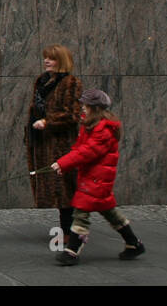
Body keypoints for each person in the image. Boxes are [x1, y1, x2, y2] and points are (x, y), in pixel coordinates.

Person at [52, 90, 145, 265]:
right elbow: (80, 149)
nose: (83, 109)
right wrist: (64, 165)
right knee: (110, 213)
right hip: (94, 178)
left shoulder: (102, 130)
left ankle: (72, 251)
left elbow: (88, 152)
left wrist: (63, 163)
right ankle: (133, 243)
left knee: (81, 212)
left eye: (85, 106)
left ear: (94, 108)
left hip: (97, 180)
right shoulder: (90, 125)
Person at [24, 43, 81, 248]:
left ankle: (69, 232)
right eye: (46, 57)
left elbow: (73, 114)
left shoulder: (70, 83)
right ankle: (70, 229)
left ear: (62, 61)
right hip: (41, 141)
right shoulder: (42, 81)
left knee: (64, 188)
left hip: (61, 143)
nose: (47, 61)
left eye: (52, 58)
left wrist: (49, 121)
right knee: (56, 189)